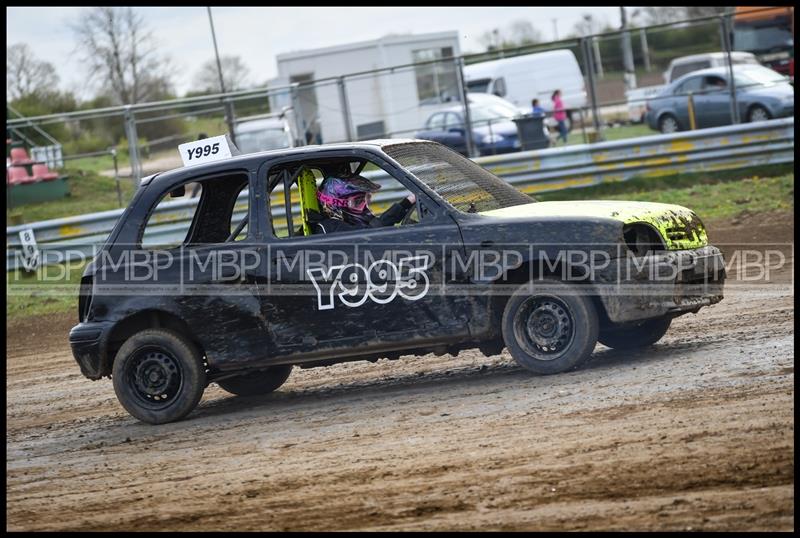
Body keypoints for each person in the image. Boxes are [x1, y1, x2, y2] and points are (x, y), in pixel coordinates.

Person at [310, 173, 416, 234]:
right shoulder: (330, 227)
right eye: (358, 201)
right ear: (333, 205)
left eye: (367, 199)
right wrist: (407, 202)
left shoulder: (346, 224)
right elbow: (372, 232)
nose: (364, 206)